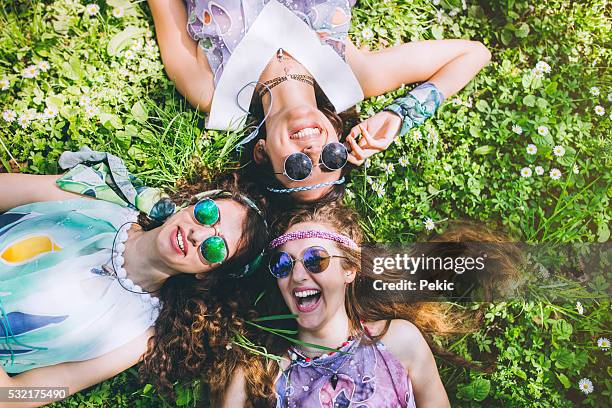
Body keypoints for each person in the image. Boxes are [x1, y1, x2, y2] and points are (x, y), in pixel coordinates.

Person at [147, 0, 492, 203]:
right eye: (331, 158)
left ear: (262, 153)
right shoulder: (350, 74)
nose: (313, 153)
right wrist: (400, 115)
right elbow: (474, 54)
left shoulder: (211, 89)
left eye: (298, 167)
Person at [0, 162, 268, 406]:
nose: (197, 233)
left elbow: (19, 395)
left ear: (207, 275)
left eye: (214, 249)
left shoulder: (139, 334)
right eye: (207, 214)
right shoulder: (100, 201)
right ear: (190, 203)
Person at [213, 204, 519, 407]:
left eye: (314, 259)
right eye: (282, 264)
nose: (297, 274)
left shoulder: (398, 342)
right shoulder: (259, 370)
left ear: (349, 270)